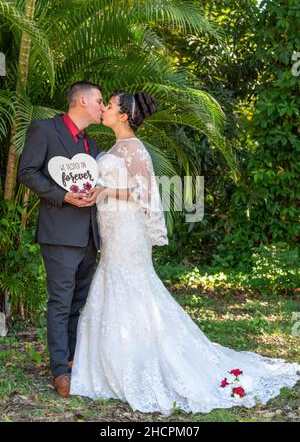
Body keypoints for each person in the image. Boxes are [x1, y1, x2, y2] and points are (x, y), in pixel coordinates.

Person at [72, 90, 299, 414]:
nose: (105, 110)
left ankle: (142, 365)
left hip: (128, 231)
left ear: (123, 116)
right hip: (112, 230)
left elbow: (144, 192)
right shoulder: (114, 147)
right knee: (115, 285)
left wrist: (106, 190)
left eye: (109, 106)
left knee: (133, 288)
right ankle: (111, 367)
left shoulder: (135, 149)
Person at [18, 81, 104, 398]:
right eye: (98, 101)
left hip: (88, 236)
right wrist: (64, 196)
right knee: (60, 303)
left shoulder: (90, 144)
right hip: (59, 234)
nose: (102, 106)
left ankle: (72, 360)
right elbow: (27, 172)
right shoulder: (44, 129)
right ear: (81, 100)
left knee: (77, 305)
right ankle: (60, 372)